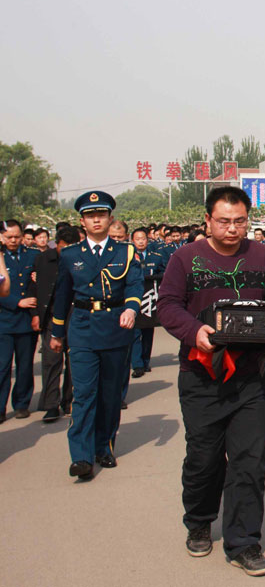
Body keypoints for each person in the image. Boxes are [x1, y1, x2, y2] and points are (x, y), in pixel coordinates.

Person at [156, 186, 265, 576]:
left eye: (240, 221)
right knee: (205, 459)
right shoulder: (186, 258)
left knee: (250, 461)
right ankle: (198, 520)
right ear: (208, 222)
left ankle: (243, 542)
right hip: (203, 377)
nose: (232, 229)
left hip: (252, 379)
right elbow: (168, 305)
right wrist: (194, 331)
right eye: (224, 221)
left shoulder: (262, 255)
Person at [49, 192, 143, 479]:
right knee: (84, 394)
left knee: (110, 394)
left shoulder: (125, 252)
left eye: (101, 214)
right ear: (82, 221)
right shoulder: (69, 255)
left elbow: (134, 286)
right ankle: (81, 456)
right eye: (91, 215)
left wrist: (131, 309)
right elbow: (62, 295)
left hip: (116, 328)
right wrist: (56, 332)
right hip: (82, 330)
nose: (96, 219)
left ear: (110, 218)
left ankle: (104, 446)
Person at [32, 225, 81, 422]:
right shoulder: (42, 259)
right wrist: (35, 314)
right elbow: (32, 287)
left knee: (73, 361)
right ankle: (51, 404)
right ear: (56, 244)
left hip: (76, 315)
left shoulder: (82, 258)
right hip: (52, 316)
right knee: (51, 361)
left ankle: (68, 400)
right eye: (63, 247)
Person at [0, 219, 40, 422]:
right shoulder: (0, 258)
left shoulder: (32, 255)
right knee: (2, 366)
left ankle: (22, 403)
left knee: (25, 365)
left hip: (27, 321)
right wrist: (17, 302)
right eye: (9, 237)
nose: (13, 240)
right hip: (4, 320)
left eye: (17, 236)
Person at [130, 227, 165, 378]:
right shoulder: (129, 257)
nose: (140, 242)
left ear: (147, 239)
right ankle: (137, 364)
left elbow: (165, 273)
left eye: (143, 239)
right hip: (135, 298)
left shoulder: (156, 256)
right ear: (132, 241)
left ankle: (145, 361)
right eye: (137, 239)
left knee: (148, 332)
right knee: (135, 332)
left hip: (150, 299)